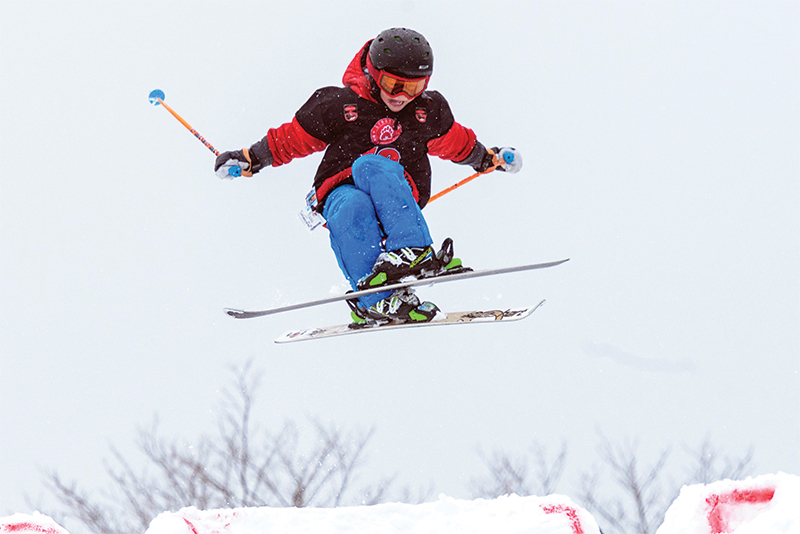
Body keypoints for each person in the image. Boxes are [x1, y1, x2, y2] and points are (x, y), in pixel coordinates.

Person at [215, 28, 521, 325]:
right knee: (350, 207)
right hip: (340, 190)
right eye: (392, 84)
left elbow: (456, 142)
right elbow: (292, 138)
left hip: (396, 193)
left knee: (370, 166)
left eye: (413, 88)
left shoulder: (426, 113)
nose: (402, 96)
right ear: (374, 74)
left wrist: (486, 158)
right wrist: (250, 158)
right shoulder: (339, 106)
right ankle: (376, 300)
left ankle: (412, 248)